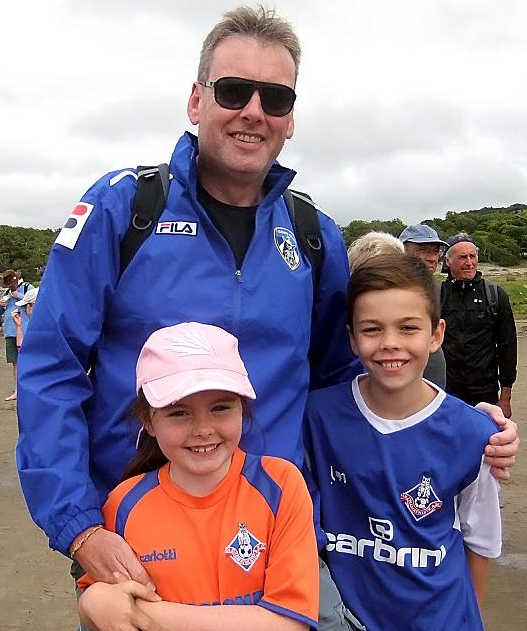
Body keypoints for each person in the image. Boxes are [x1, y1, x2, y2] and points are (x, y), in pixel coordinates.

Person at [15, 2, 517, 620]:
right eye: (233, 90)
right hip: (139, 539)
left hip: (278, 538)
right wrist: (80, 527)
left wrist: (462, 426)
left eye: (275, 98)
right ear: (196, 101)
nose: (253, 110)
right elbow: (51, 369)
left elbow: (349, 385)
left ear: (290, 119)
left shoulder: (314, 235)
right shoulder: (123, 211)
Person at [304, 252, 502, 631]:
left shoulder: (474, 434)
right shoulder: (317, 418)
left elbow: (481, 543)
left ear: (436, 335)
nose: (390, 343)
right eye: (372, 329)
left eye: (409, 328)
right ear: (351, 338)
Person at [77, 321, 318, 631]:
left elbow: (289, 622)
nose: (203, 429)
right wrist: (91, 602)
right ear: (148, 421)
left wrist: (142, 616)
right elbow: (100, 607)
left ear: (242, 409)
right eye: (179, 412)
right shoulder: (124, 503)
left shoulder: (281, 485)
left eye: (220, 407)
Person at [441, 233, 517, 417]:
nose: (469, 262)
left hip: (484, 392)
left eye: (472, 256)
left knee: (486, 444)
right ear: (448, 262)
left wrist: (505, 397)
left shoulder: (495, 296)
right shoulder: (436, 296)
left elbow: (507, 347)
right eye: (462, 257)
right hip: (445, 391)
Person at [398, 223, 449, 387]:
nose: (432, 258)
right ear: (401, 250)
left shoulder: (431, 288)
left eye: (435, 252)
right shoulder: (388, 289)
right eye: (423, 250)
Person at [0, 269, 34, 401]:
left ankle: (28, 388)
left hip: (24, 330)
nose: (9, 287)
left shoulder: (27, 288)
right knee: (15, 363)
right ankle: (17, 390)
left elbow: (36, 301)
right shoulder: (6, 293)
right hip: (9, 332)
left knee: (27, 360)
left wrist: (18, 295)